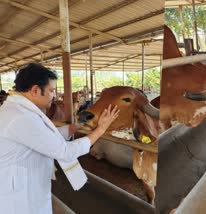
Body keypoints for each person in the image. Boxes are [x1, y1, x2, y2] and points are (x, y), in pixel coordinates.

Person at [0, 63, 120, 214]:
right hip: (20, 199)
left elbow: (40, 136)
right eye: (51, 90)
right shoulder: (21, 117)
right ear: (35, 90)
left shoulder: (17, 110)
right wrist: (101, 129)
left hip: (22, 185)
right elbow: (64, 152)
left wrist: (70, 129)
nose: (55, 96)